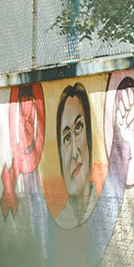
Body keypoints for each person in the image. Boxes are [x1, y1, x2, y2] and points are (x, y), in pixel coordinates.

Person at [55, 83, 96, 227]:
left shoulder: (104, 214)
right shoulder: (57, 225)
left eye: (78, 127)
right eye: (66, 138)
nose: (74, 152)